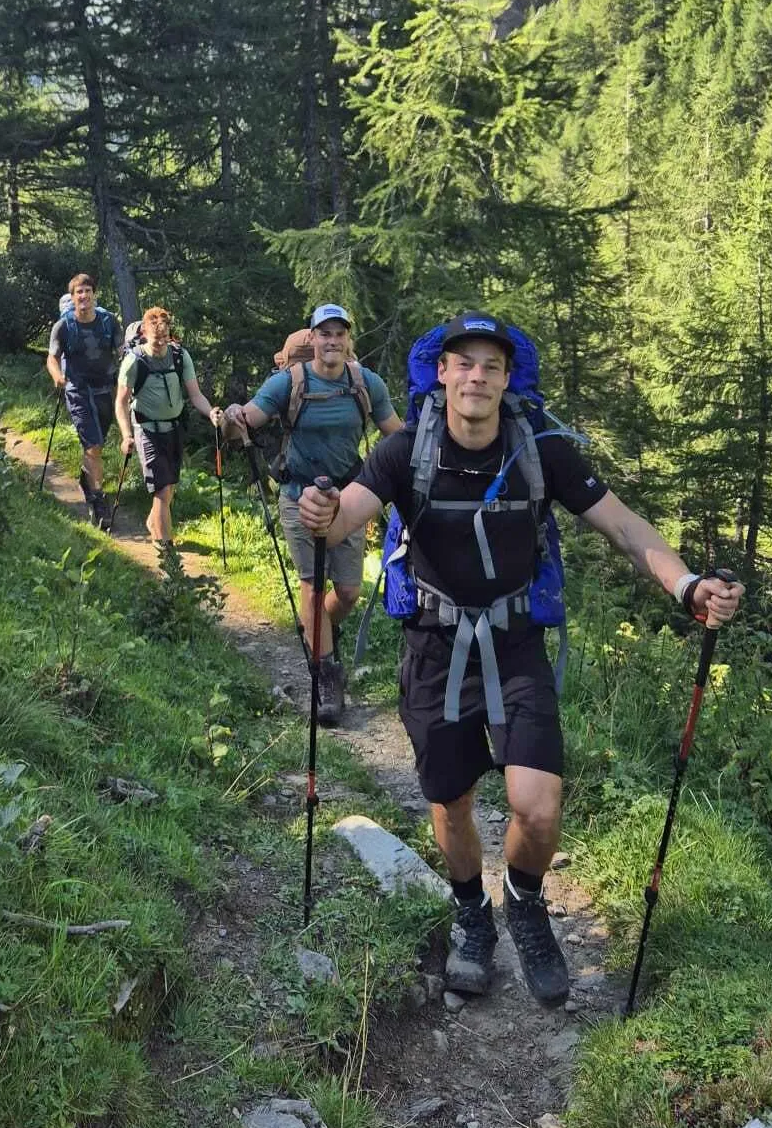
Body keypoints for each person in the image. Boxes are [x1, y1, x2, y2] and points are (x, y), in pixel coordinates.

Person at [297, 311, 744, 1007]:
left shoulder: (540, 450)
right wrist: (321, 514)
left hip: (515, 643)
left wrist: (686, 585)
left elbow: (624, 526)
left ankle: (526, 905)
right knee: (450, 800)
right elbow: (348, 512)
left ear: (509, 380)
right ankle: (473, 912)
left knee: (537, 807)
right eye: (464, 363)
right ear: (440, 373)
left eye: (492, 366)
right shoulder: (406, 450)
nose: (477, 376)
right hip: (434, 645)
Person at [224, 304, 401, 726]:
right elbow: (246, 421)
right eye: (325, 334)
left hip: (348, 497)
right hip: (298, 494)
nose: (332, 341)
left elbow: (398, 434)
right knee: (311, 583)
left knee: (349, 590)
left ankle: (317, 630)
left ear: (347, 341)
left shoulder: (365, 383)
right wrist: (231, 418)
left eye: (340, 334)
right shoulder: (289, 382)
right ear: (313, 339)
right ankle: (326, 676)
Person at [115, 307, 218, 547]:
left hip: (174, 428)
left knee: (169, 486)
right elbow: (120, 402)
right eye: (155, 337)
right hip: (146, 429)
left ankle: (154, 522)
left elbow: (195, 395)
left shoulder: (181, 356)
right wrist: (126, 435)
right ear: (143, 332)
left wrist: (211, 411)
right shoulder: (134, 361)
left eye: (164, 337)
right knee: (161, 488)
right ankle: (166, 548)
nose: (160, 342)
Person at [46, 273, 124, 529]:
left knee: (97, 444)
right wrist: (58, 376)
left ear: (94, 294)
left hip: (105, 391)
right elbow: (52, 357)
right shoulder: (64, 326)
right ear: (72, 297)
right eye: (79, 292)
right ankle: (99, 502)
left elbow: (122, 351)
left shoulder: (109, 321)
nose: (84, 296)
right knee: (94, 446)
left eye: (88, 291)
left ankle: (86, 481)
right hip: (78, 391)